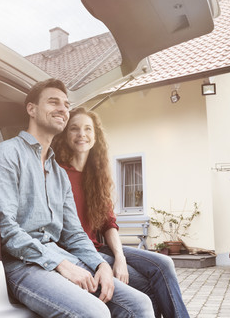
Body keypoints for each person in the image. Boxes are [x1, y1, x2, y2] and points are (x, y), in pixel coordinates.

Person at [0, 78, 154, 317]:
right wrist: (60, 265)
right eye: (53, 102)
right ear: (31, 109)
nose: (63, 109)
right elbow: (5, 228)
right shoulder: (5, 155)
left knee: (140, 304)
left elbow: (74, 234)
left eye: (66, 104)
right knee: (95, 313)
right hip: (22, 264)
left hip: (60, 256)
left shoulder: (59, 174)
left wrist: (101, 264)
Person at [52, 107, 190, 318]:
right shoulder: (58, 173)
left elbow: (108, 222)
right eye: (74, 128)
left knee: (165, 264)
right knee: (146, 284)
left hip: (101, 249)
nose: (82, 134)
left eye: (88, 129)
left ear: (95, 136)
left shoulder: (96, 176)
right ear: (65, 135)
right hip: (78, 253)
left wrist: (120, 257)